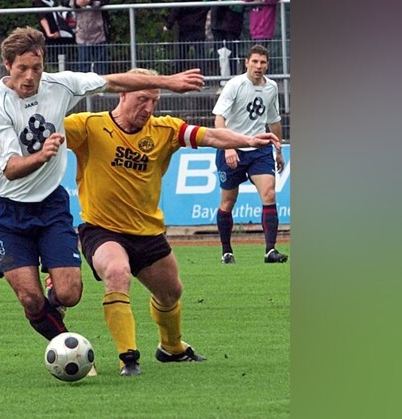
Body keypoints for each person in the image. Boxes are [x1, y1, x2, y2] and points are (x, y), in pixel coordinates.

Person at [0, 27, 205, 363]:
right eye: (22, 68)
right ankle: (69, 351)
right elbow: (11, 167)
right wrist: (43, 155)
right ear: (7, 65)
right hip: (4, 213)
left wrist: (169, 82)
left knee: (70, 293)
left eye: (36, 68)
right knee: (30, 299)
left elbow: (113, 82)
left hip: (49, 205)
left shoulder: (61, 84)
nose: (30, 77)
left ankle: (60, 313)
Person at [64, 68, 281, 376]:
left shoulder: (164, 130)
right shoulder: (88, 125)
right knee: (116, 271)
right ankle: (129, 359)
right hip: (101, 229)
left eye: (154, 101)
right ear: (122, 93)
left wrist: (247, 139)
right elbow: (48, 130)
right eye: (142, 99)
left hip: (147, 232)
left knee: (170, 293)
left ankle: (172, 348)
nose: (149, 108)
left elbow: (210, 135)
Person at [212, 44, 287, 265]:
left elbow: (274, 120)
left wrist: (278, 150)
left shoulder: (271, 87)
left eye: (263, 62)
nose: (258, 66)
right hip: (233, 146)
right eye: (254, 61)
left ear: (267, 65)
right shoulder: (235, 85)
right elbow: (219, 118)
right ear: (246, 62)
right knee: (228, 202)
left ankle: (270, 250)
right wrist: (228, 146)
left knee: (269, 194)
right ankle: (226, 251)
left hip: (260, 148)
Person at [239, 0, 289, 75]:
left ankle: (261, 76)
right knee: (257, 53)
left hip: (264, 29)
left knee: (260, 54)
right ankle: (258, 76)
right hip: (255, 29)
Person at [63, 0, 111, 74]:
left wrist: (90, 1)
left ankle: (101, 87)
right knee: (83, 65)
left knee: (101, 64)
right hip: (81, 34)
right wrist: (76, 2)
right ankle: (84, 88)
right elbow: (65, 0)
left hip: (99, 33)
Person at [203, 0, 245, 83]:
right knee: (221, 53)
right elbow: (206, 3)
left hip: (231, 27)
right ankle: (223, 80)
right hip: (217, 26)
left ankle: (234, 80)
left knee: (232, 53)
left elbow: (239, 7)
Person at [163, 0, 209, 73]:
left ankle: (179, 75)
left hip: (184, 26)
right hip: (199, 25)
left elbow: (176, 9)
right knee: (200, 53)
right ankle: (204, 77)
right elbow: (207, 6)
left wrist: (168, 25)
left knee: (182, 53)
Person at [26, 0, 76, 71]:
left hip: (52, 34)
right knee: (64, 56)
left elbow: (43, 18)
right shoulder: (50, 1)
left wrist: (48, 33)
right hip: (62, 32)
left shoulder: (38, 2)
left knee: (51, 57)